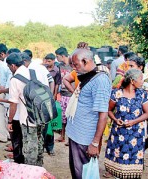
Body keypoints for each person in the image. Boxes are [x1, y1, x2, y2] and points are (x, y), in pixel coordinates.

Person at [66, 49, 111, 179]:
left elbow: (103, 114)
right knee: (76, 171)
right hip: (77, 133)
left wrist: (95, 143)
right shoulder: (89, 75)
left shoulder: (100, 80)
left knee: (82, 173)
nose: (74, 68)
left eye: (76, 65)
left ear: (85, 61)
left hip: (85, 138)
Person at [104, 69, 148, 178]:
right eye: (140, 79)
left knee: (133, 157)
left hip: (136, 134)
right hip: (119, 133)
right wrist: (115, 119)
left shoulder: (142, 94)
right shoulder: (117, 93)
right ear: (132, 81)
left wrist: (134, 121)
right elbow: (108, 110)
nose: (142, 81)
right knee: (118, 156)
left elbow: (147, 113)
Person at [7, 52, 48, 166]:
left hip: (27, 118)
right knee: (39, 143)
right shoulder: (34, 72)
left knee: (30, 147)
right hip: (42, 114)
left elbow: (13, 104)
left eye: (9, 67)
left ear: (13, 66)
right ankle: (39, 168)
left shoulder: (15, 79)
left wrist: (10, 121)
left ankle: (30, 171)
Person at [21, 52, 56, 156]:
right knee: (46, 124)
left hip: (37, 101)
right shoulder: (41, 67)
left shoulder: (29, 69)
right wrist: (50, 95)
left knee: (37, 126)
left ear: (24, 62)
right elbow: (51, 81)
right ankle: (47, 148)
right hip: (45, 99)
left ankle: (39, 150)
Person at [55, 47, 72, 144]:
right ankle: (62, 136)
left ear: (62, 56)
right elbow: (57, 81)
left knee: (70, 117)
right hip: (63, 94)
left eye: (57, 56)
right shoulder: (60, 66)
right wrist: (56, 93)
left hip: (71, 94)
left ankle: (70, 138)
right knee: (63, 117)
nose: (57, 59)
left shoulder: (72, 65)